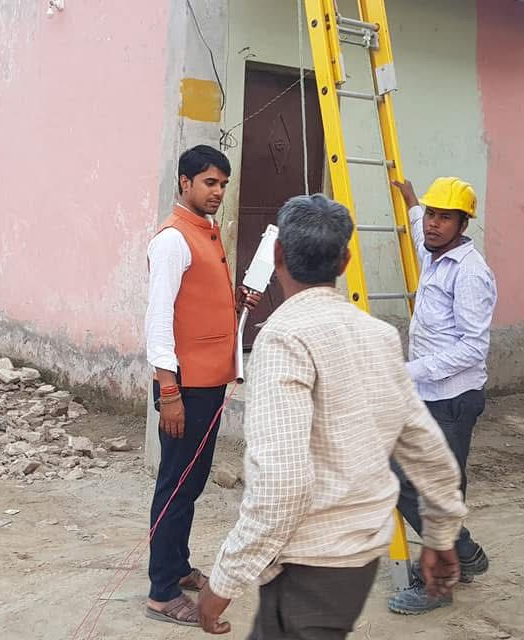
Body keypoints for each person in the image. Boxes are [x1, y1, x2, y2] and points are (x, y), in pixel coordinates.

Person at [197, 194, 468, 639]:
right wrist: (440, 534)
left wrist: (224, 580)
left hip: (310, 565)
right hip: (356, 560)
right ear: (344, 262)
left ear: (278, 253)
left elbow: (281, 484)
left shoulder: (284, 339)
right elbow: (427, 449)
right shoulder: (379, 335)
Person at [143, 145, 259, 626]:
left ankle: (176, 565)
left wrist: (234, 303)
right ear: (185, 183)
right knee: (175, 484)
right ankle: (161, 592)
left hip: (208, 382)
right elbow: (158, 320)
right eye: (210, 183)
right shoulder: (172, 239)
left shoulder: (206, 233)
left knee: (190, 483)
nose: (218, 192)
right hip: (184, 388)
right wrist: (168, 391)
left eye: (224, 185)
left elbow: (197, 304)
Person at [388, 177, 496, 615]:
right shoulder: (436, 254)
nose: (432, 224)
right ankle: (463, 553)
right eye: (431, 215)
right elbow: (419, 232)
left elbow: (473, 347)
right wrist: (413, 201)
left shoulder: (470, 273)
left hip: (452, 399)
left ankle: (437, 584)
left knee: (431, 489)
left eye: (443, 217)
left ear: (462, 223)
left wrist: (409, 370)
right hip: (427, 394)